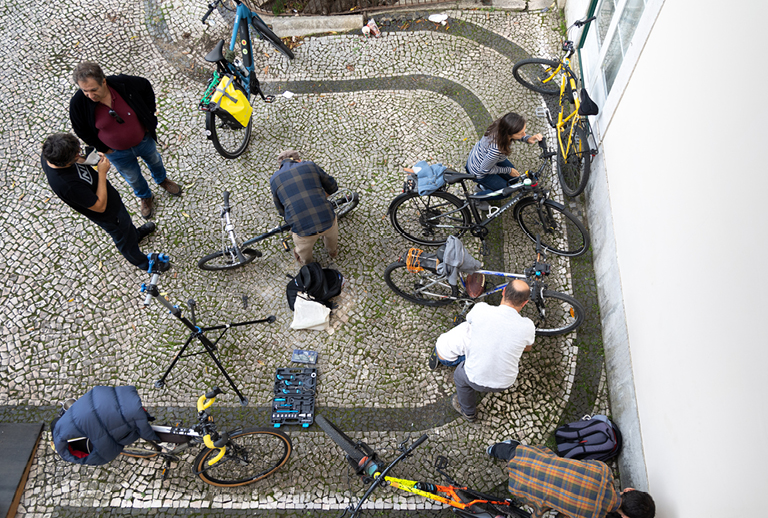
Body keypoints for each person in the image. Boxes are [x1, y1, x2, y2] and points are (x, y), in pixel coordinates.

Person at [41, 132, 170, 272]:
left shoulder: (52, 153)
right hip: (109, 215)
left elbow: (78, 161)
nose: (80, 154)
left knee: (126, 226)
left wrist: (91, 159)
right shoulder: (67, 185)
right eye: (77, 155)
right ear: (65, 162)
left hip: (112, 202)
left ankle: (136, 235)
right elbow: (100, 206)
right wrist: (102, 173)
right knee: (124, 240)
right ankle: (144, 263)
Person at [69, 61, 182, 219]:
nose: (90, 95)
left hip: (143, 140)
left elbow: (146, 87)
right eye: (85, 91)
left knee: (155, 161)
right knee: (133, 177)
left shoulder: (123, 83)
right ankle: (145, 196)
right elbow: (80, 129)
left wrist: (150, 118)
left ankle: (162, 180)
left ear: (103, 81)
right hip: (116, 152)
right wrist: (103, 147)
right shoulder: (78, 103)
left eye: (93, 90)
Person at [487, 440, 656, 518]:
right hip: (518, 487)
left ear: (629, 490)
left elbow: (579, 464)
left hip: (528, 457)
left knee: (514, 450)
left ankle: (492, 449)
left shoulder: (603, 471)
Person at [449, 279, 535, 422]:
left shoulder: (480, 309)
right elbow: (527, 348)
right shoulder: (528, 326)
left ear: (503, 292)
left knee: (459, 375)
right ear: (525, 303)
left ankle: (469, 413)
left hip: (474, 379)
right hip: (505, 382)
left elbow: (469, 323)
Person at [270, 149, 339, 265]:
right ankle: (332, 251)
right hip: (327, 219)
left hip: (302, 229)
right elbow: (332, 187)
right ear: (299, 160)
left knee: (303, 250)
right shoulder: (310, 165)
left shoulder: (274, 179)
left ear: (279, 167)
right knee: (331, 235)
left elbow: (281, 210)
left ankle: (307, 263)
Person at [466, 112, 543, 192]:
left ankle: (489, 185)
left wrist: (528, 138)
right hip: (479, 171)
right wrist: (508, 170)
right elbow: (484, 170)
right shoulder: (496, 150)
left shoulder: (501, 125)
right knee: (506, 192)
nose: (524, 134)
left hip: (483, 158)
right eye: (520, 133)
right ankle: (477, 198)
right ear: (508, 134)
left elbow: (514, 134)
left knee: (514, 179)